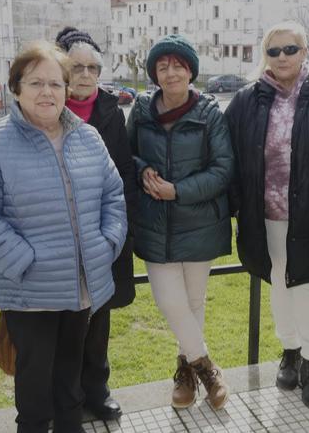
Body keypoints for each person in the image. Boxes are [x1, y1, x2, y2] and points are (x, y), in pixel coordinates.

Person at [0, 41, 127, 433]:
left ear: (66, 89)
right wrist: (23, 260)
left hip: (81, 286)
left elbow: (114, 196)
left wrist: (106, 245)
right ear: (16, 89)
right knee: (34, 386)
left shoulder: (88, 137)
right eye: (35, 83)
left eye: (55, 83)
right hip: (30, 291)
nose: (46, 92)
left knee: (71, 379)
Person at [225, 20, 309, 407]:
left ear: (305, 52)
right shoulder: (247, 100)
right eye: (274, 50)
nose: (282, 57)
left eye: (290, 49)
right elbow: (229, 155)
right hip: (265, 216)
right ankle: (290, 353)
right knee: (279, 285)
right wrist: (236, 205)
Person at [126, 34, 234, 410]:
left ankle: (185, 374)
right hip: (155, 224)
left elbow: (223, 169)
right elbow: (126, 155)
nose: (171, 73)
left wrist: (178, 191)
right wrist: (142, 170)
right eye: (162, 66)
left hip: (199, 223)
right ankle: (207, 368)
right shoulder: (141, 110)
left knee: (193, 302)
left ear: (191, 72)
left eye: (178, 66)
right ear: (154, 73)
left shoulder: (210, 113)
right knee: (170, 301)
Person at [54, 27, 138, 421]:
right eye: (77, 67)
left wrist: (115, 233)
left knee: (99, 316)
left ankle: (97, 390)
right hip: (59, 236)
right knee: (63, 321)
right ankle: (65, 396)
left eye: (93, 68)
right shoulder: (46, 107)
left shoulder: (110, 111)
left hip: (102, 235)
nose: (85, 75)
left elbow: (121, 176)